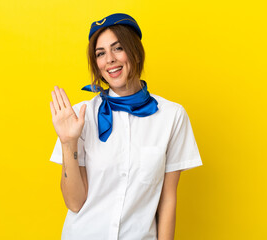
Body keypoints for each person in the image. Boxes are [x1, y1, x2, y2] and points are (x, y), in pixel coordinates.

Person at [49, 13, 202, 240]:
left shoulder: (172, 116)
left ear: (135, 53)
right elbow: (74, 202)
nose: (109, 59)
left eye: (117, 48)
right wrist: (68, 141)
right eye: (100, 53)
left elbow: (168, 199)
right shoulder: (81, 115)